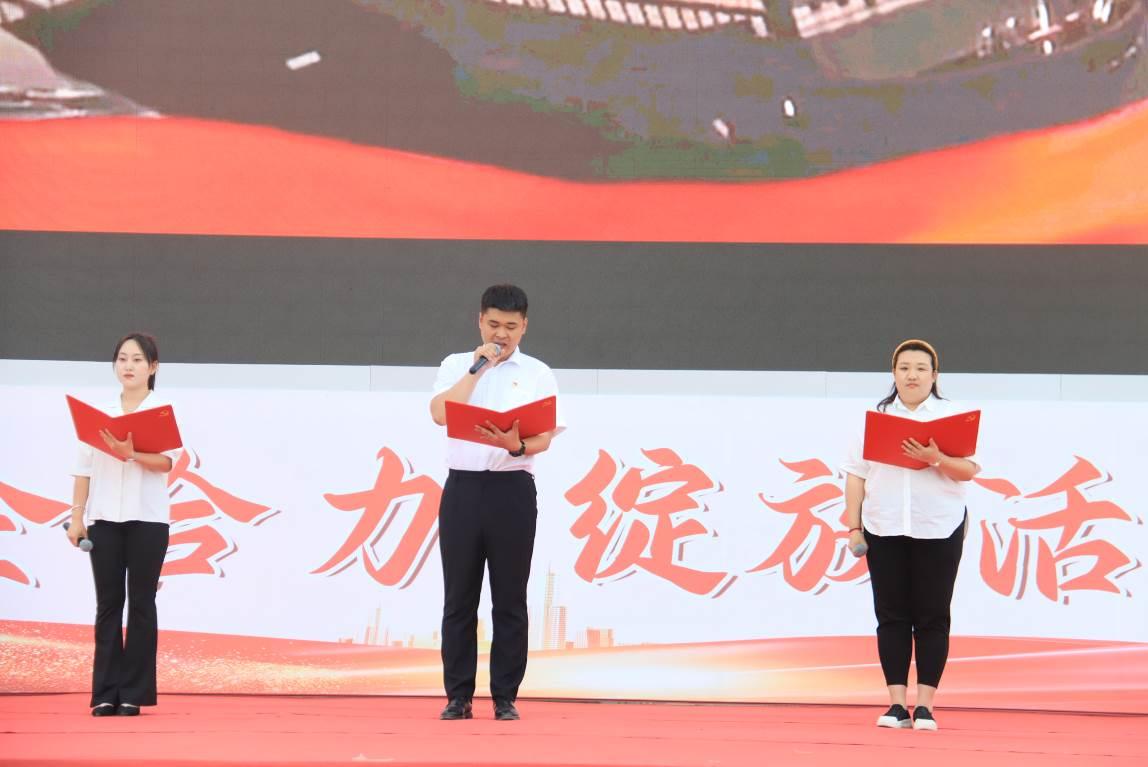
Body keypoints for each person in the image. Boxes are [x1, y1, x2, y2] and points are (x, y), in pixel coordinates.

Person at [429, 284, 564, 721]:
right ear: (479, 321)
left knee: (509, 598)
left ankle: (505, 697)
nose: (501, 334)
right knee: (459, 598)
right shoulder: (456, 365)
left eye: (510, 326)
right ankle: (458, 696)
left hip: (512, 489)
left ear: (524, 326)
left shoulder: (538, 373)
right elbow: (440, 413)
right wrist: (477, 368)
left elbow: (544, 436)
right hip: (463, 489)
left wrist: (517, 445)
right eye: (493, 324)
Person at [841, 339, 980, 731]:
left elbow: (969, 470)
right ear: (893, 373)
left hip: (938, 526)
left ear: (934, 375)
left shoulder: (954, 416)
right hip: (884, 526)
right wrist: (854, 526)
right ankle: (897, 705)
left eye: (921, 368)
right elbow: (856, 476)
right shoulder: (874, 418)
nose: (912, 375)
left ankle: (925, 707)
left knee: (932, 615)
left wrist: (936, 458)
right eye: (904, 368)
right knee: (891, 615)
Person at [66, 333, 179, 717]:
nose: (128, 366)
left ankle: (134, 693)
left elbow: (167, 463)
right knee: (108, 604)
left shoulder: (161, 411)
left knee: (142, 604)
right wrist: (77, 517)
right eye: (122, 359)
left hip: (148, 520)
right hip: (104, 521)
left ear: (153, 367)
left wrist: (133, 454)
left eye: (137, 359)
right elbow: (82, 470)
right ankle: (105, 692)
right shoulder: (97, 415)